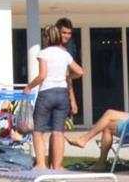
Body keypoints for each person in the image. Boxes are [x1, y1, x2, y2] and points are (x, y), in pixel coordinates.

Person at [26, 25, 83, 170]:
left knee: (38, 131)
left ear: (46, 38)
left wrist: (29, 87)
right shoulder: (65, 54)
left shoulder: (43, 53)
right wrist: (67, 76)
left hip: (46, 94)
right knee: (58, 132)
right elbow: (80, 72)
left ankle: (41, 164)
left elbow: (42, 75)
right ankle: (57, 167)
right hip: (62, 94)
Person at [53, 17, 81, 122]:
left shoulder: (66, 50)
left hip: (61, 94)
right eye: (64, 33)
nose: (67, 36)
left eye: (69, 33)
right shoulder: (51, 49)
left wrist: (73, 100)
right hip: (49, 95)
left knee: (60, 128)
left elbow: (68, 77)